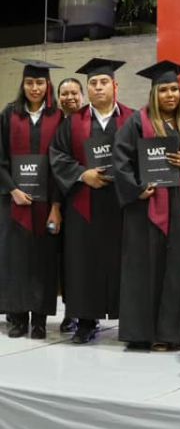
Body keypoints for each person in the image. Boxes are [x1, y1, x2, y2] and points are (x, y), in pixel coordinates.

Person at [111, 61, 180, 351]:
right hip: (145, 205)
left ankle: (168, 334)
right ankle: (140, 333)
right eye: (164, 90)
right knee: (143, 268)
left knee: (173, 270)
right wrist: (137, 188)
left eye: (174, 89)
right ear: (154, 94)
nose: (170, 95)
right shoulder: (137, 121)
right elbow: (120, 159)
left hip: (177, 204)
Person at [49, 58, 134, 344]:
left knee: (124, 262)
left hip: (122, 204)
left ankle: (130, 321)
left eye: (103, 82)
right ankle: (86, 321)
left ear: (115, 85)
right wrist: (83, 175)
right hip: (84, 204)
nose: (98, 88)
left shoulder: (133, 119)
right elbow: (57, 156)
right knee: (83, 263)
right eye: (93, 83)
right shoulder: (73, 122)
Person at [0, 59, 64, 339]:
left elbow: (62, 163)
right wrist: (12, 189)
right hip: (13, 201)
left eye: (39, 82)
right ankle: (16, 316)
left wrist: (56, 204)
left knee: (43, 259)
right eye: (29, 83)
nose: (34, 88)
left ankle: (39, 318)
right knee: (15, 258)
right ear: (22, 85)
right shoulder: (9, 114)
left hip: (46, 203)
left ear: (47, 84)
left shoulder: (58, 117)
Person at [53, 75, 85, 334]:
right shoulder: (52, 123)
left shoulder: (88, 123)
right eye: (64, 93)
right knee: (59, 259)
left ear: (82, 96)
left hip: (80, 198)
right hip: (50, 199)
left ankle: (74, 311)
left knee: (76, 260)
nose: (70, 97)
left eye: (75, 93)